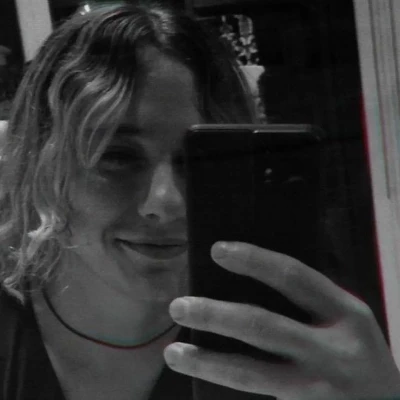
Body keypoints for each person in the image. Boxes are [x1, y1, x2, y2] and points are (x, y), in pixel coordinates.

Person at [0, 1, 399, 399]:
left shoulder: (285, 335)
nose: (166, 202)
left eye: (198, 158)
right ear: (40, 163)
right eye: (118, 156)